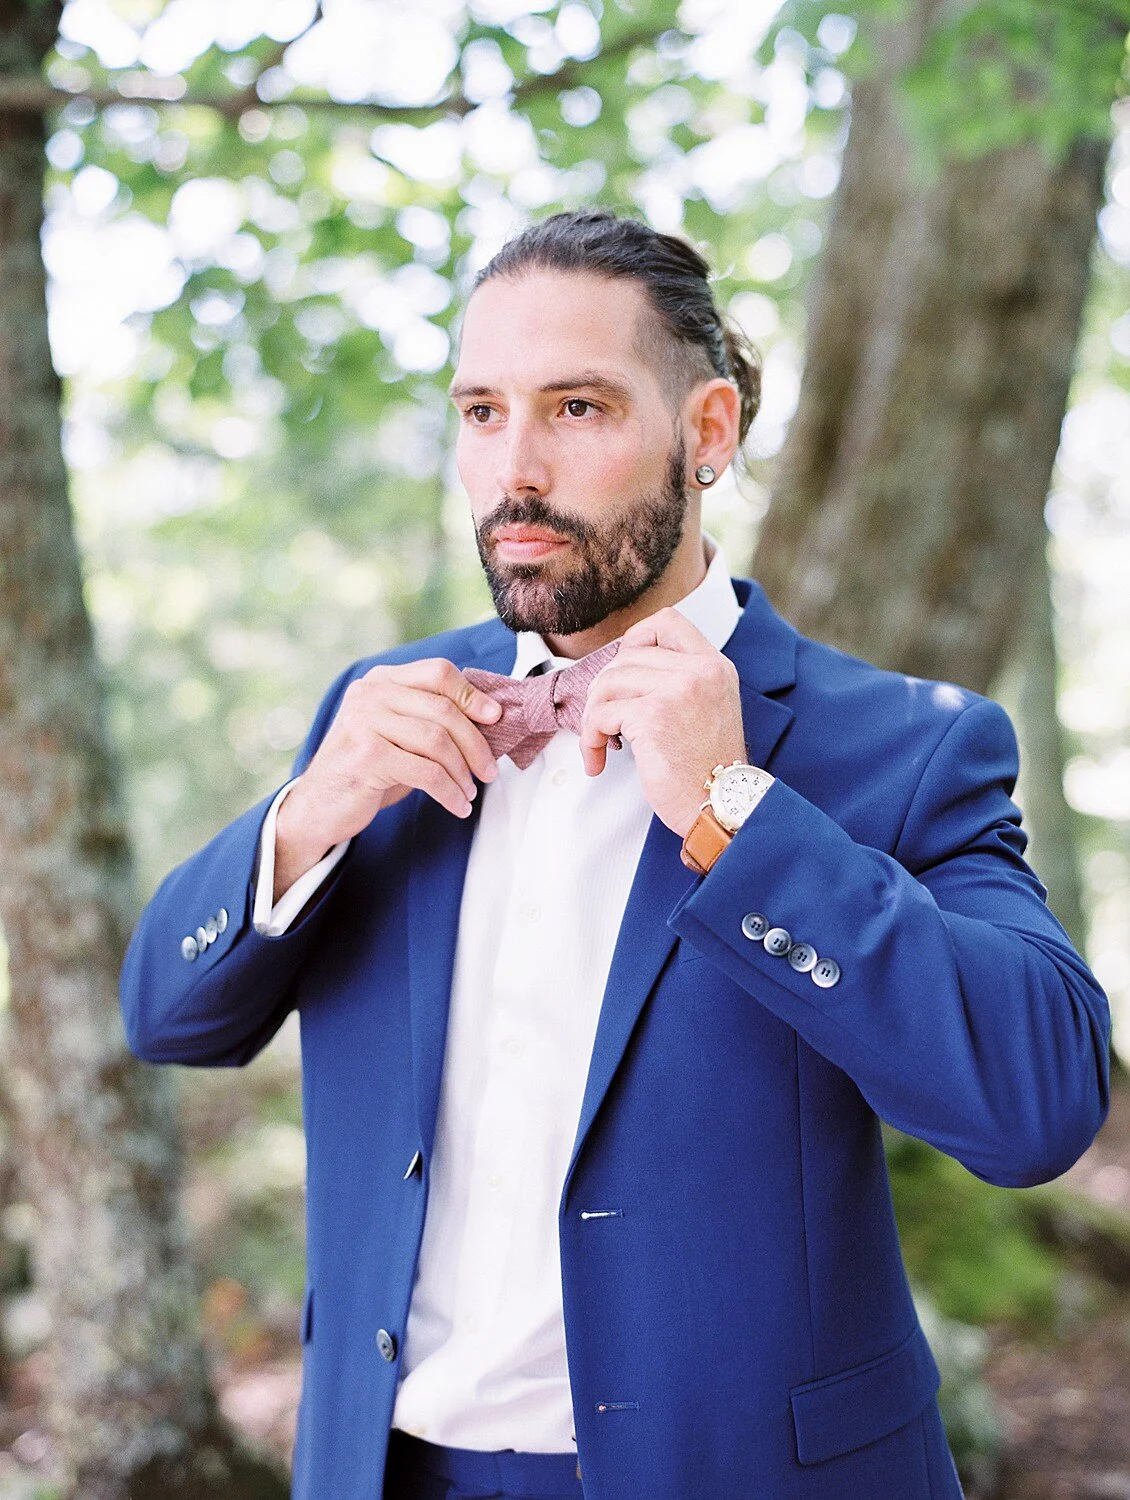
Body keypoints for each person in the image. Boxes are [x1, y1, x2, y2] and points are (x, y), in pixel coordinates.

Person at [120, 210, 1110, 1500]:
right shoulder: (385, 716)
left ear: (707, 433)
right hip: (388, 1470)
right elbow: (166, 1013)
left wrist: (732, 807)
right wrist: (311, 811)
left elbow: (1037, 1103)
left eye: (576, 408)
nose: (515, 469)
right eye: (481, 414)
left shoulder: (903, 747)